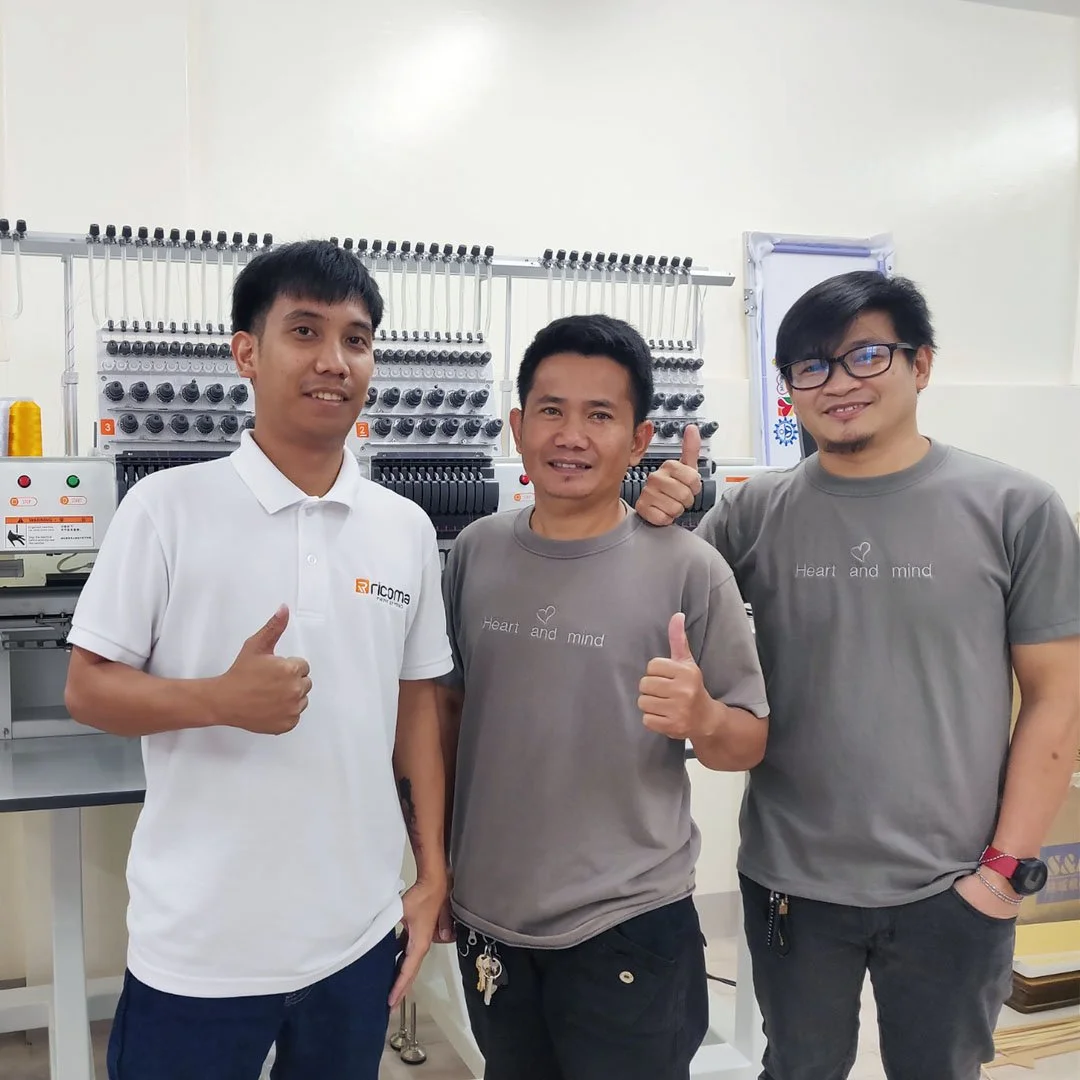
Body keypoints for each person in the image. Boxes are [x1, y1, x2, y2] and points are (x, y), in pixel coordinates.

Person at [635, 270, 1080, 1080]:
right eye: (811, 366)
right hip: (790, 887)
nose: (838, 384)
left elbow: (1058, 698)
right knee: (798, 1070)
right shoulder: (753, 514)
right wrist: (653, 516)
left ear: (923, 364)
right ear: (789, 391)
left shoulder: (1017, 508)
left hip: (953, 886)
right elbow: (650, 615)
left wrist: (1006, 872)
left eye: (865, 356)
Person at [64, 240, 453, 1080]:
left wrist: (432, 874)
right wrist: (219, 699)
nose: (333, 361)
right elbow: (88, 690)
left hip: (352, 942)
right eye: (304, 331)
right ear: (246, 351)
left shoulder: (405, 528)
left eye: (355, 339)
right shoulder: (165, 508)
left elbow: (416, 701)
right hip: (199, 950)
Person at [436, 313, 770, 1080]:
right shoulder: (477, 552)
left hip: (628, 924)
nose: (571, 435)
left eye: (600, 415)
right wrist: (439, 867)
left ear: (639, 436)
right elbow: (450, 713)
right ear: (518, 426)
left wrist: (703, 717)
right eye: (551, 411)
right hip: (493, 917)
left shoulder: (689, 567)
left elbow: (748, 739)